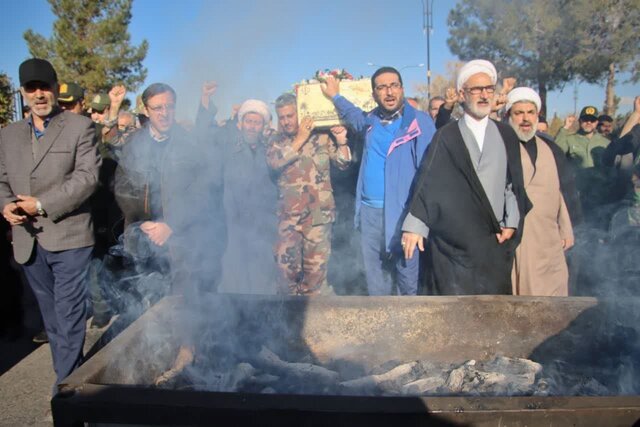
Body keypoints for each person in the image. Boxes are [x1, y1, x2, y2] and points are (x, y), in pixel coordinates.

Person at [0, 58, 100, 389]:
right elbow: (1, 180)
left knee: (69, 313)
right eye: (32, 88)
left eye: (45, 86)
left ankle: (67, 389)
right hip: (28, 240)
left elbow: (87, 179)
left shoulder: (79, 126)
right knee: (53, 318)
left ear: (56, 88)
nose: (39, 94)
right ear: (23, 92)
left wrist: (41, 204)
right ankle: (71, 371)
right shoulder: (8, 134)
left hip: (70, 237)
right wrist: (6, 207)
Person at [401, 59, 530, 295]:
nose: (484, 95)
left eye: (489, 89)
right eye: (476, 89)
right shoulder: (446, 136)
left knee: (491, 312)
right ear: (462, 94)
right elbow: (428, 182)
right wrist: (415, 226)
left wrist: (512, 221)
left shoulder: (506, 135)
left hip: (492, 240)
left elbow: (513, 185)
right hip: (453, 244)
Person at [321, 67, 435, 295]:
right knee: (375, 277)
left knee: (406, 277)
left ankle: (406, 327)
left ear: (402, 89)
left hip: (404, 214)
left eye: (393, 85)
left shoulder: (419, 124)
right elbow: (354, 115)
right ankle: (382, 325)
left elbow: (431, 175)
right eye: (382, 87)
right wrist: (335, 95)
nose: (389, 92)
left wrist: (419, 219)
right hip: (369, 214)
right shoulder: (371, 121)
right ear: (374, 94)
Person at [266, 93, 351, 295]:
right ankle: (287, 321)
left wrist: (341, 142)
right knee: (286, 276)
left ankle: (310, 322)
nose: (286, 121)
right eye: (282, 117)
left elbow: (342, 163)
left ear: (300, 113)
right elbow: (274, 162)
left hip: (318, 218)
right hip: (289, 219)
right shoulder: (275, 141)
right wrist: (300, 139)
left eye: (290, 115)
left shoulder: (322, 136)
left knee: (315, 278)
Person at [196, 88, 279, 294]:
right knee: (234, 275)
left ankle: (262, 316)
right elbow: (204, 134)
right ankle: (234, 318)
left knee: (262, 275)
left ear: (263, 125)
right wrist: (206, 102)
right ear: (241, 123)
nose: (252, 126)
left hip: (262, 224)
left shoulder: (270, 149)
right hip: (232, 222)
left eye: (257, 122)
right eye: (248, 121)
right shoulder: (227, 144)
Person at [506, 87, 577, 296]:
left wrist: (566, 227)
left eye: (530, 112)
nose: (525, 119)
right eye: (519, 113)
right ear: (509, 115)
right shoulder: (501, 146)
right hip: (519, 237)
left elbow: (560, 191)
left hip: (549, 237)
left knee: (554, 290)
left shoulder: (551, 148)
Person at [556, 106, 611, 220]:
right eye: (585, 119)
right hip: (577, 194)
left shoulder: (606, 143)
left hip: (600, 195)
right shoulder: (569, 139)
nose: (588, 122)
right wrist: (565, 127)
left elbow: (612, 170)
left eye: (592, 120)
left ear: (597, 123)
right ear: (580, 121)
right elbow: (555, 152)